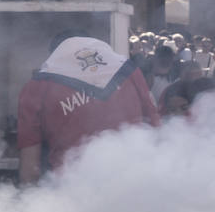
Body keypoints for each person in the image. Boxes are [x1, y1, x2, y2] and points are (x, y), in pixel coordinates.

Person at [17, 32, 161, 184]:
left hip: (72, 190)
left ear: (54, 55)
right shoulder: (128, 71)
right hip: (133, 184)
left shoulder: (35, 88)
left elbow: (30, 169)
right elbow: (156, 132)